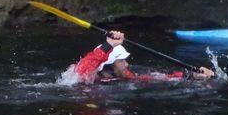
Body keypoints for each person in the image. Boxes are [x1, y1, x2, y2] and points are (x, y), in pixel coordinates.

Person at [73, 30, 215, 84]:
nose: (127, 64)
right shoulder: (87, 79)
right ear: (109, 65)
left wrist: (190, 76)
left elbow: (157, 78)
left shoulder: (124, 75)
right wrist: (108, 45)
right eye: (122, 61)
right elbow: (82, 69)